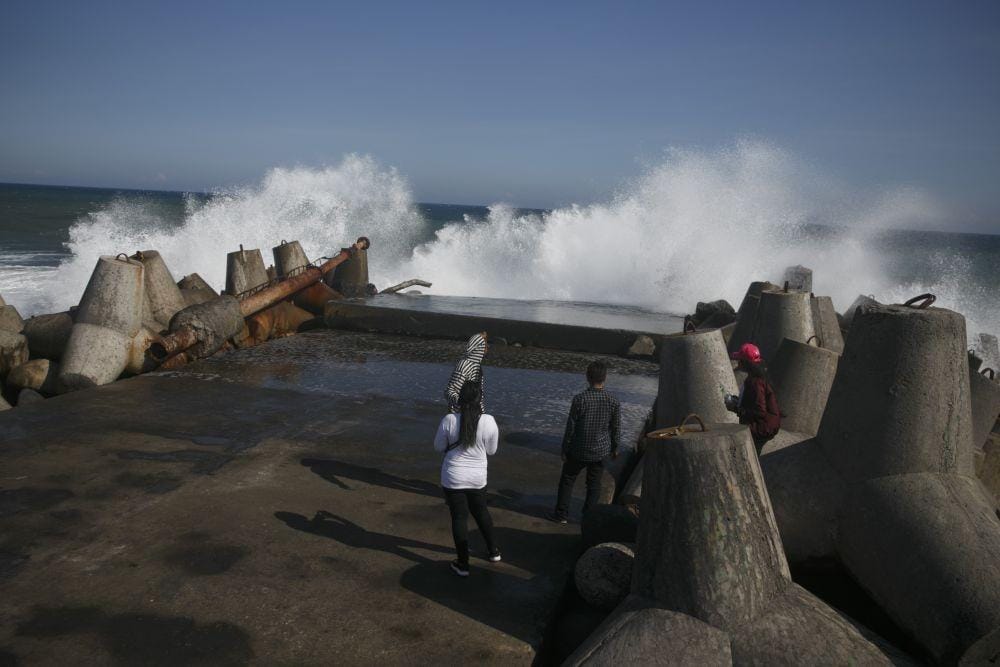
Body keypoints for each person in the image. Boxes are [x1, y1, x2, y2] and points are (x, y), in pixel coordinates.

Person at [433, 380, 501, 577]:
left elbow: (438, 447)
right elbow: (492, 451)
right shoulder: (489, 421)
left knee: (459, 517)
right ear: (480, 399)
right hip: (477, 478)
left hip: (453, 477)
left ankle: (463, 564)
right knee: (481, 512)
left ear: (460, 399)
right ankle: (493, 552)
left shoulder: (449, 420)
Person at [550, 360, 621, 524]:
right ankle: (588, 518)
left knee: (568, 480)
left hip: (578, 449)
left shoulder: (579, 399)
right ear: (605, 378)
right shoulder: (613, 401)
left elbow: (571, 427)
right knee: (594, 485)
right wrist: (615, 448)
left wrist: (564, 449)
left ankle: (561, 515)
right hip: (600, 451)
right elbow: (616, 427)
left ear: (587, 377)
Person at [727, 342, 781, 453]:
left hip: (761, 428)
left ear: (745, 363)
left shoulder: (755, 383)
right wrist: (737, 402)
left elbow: (759, 411)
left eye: (740, 360)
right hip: (766, 426)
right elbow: (753, 403)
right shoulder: (758, 378)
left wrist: (736, 409)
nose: (738, 362)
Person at [445, 332, 487, 413]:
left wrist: (482, 414)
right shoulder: (464, 365)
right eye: (484, 346)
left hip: (474, 415)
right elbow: (449, 391)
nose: (486, 348)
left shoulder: (478, 367)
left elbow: (479, 397)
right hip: (458, 414)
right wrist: (464, 405)